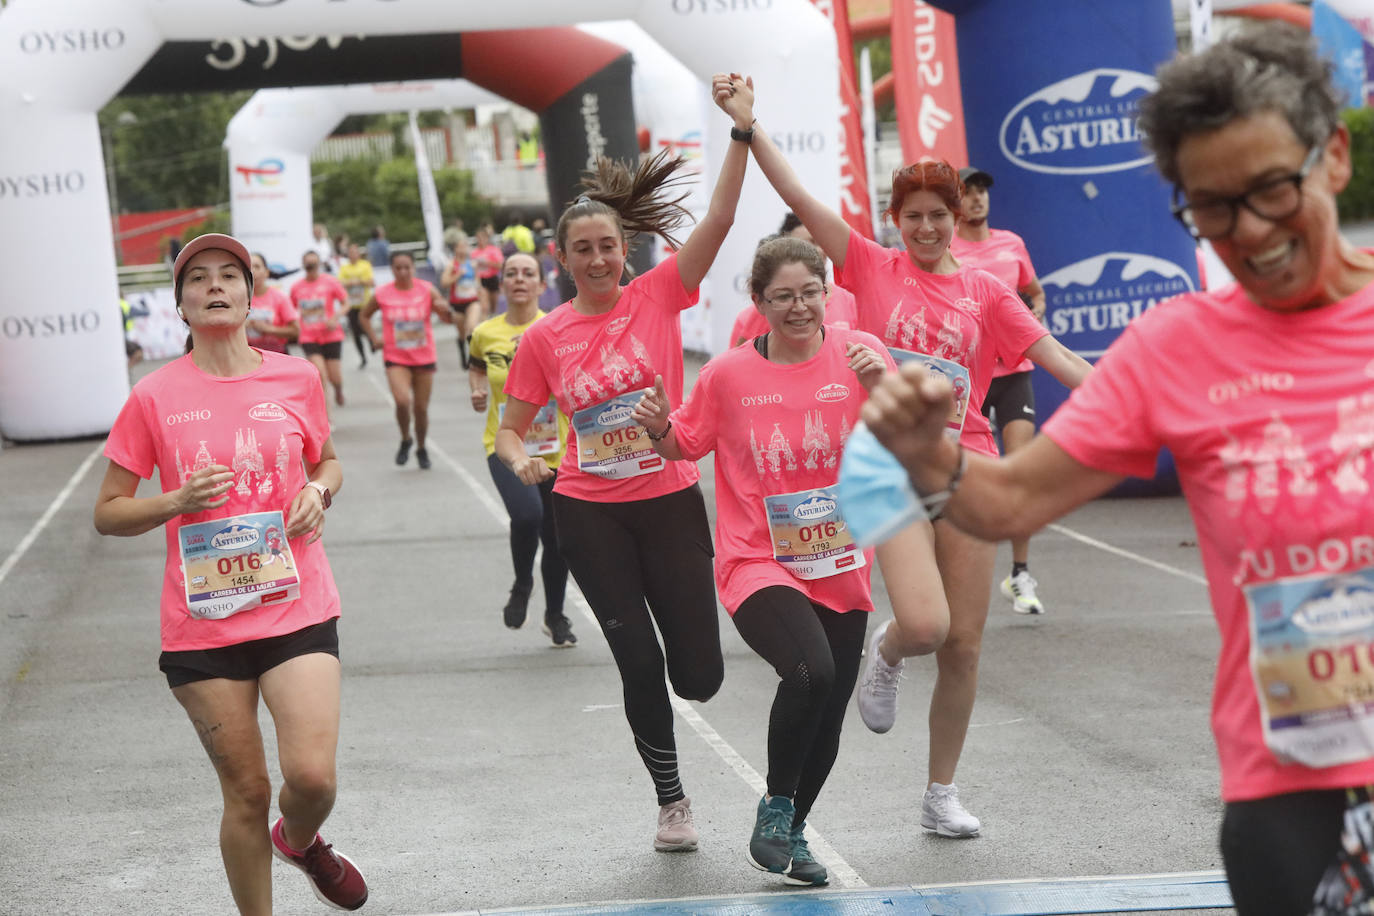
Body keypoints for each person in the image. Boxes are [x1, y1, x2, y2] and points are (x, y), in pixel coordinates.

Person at [861, 23, 1374, 914]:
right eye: (1211, 207)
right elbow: (1007, 500)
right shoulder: (1179, 349)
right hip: (1292, 792)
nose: (1249, 232)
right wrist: (924, 453)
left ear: (1331, 158)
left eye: (1271, 190)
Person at [733, 71, 1092, 836]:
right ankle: (889, 652)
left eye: (939, 216)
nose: (926, 228)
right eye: (913, 217)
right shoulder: (870, 264)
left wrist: (1141, 398)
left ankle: (940, 795)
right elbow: (799, 195)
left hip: (964, 464)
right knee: (925, 628)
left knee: (963, 643)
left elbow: (1056, 357)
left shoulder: (990, 294)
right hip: (887, 465)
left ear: (958, 218)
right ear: (894, 221)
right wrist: (748, 124)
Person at [496, 77, 751, 852]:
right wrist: (525, 462)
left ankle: (682, 708)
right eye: (584, 249)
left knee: (698, 677)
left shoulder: (660, 294)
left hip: (669, 497)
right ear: (562, 258)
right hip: (589, 509)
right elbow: (512, 430)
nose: (600, 258)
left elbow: (721, 217)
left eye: (609, 245)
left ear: (625, 249)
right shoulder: (545, 338)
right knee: (638, 662)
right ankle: (672, 803)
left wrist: (739, 132)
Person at [93, 233, 367, 914]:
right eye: (198, 280)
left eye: (229, 276)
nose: (215, 287)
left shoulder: (296, 377)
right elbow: (108, 512)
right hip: (203, 624)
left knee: (311, 778)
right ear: (181, 305)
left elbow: (327, 461)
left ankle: (300, 841)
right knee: (245, 792)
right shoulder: (153, 396)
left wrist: (319, 492)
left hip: (294, 602)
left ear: (250, 295)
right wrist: (175, 501)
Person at [633, 235, 893, 886]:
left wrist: (883, 388)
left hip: (840, 560)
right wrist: (658, 426)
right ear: (759, 301)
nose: (800, 307)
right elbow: (684, 446)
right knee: (810, 672)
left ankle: (793, 830)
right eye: (784, 296)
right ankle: (776, 809)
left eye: (811, 292)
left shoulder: (862, 357)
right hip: (758, 561)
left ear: (829, 294)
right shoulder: (728, 374)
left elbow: (907, 434)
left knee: (828, 712)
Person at [949, 166, 1049, 615]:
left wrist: (1034, 317)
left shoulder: (1012, 244)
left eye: (982, 192)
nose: (977, 199)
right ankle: (949, 568)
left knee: (1022, 471)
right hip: (966, 376)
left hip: (1014, 372)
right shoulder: (946, 249)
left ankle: (1020, 573)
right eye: (968, 193)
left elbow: (1035, 292)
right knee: (953, 476)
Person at [468, 252, 574, 646]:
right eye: (511, 273)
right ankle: (522, 582)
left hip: (556, 449)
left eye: (528, 273)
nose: (519, 279)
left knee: (558, 537)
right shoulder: (484, 333)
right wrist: (477, 390)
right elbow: (477, 367)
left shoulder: (557, 328)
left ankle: (555, 614)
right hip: (505, 442)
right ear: (502, 285)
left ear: (541, 285)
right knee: (527, 515)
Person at [360, 251, 453, 470]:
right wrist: (374, 338)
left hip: (423, 356)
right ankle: (405, 438)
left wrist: (445, 310)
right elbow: (363, 315)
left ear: (414, 268)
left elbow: (447, 318)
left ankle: (421, 447)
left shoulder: (427, 290)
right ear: (392, 269)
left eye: (407, 267)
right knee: (402, 401)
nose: (403, 272)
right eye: (398, 268)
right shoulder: (382, 293)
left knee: (421, 409)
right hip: (396, 357)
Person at [729, 215, 859, 347]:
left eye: (822, 242)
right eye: (807, 245)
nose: (818, 250)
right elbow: (740, 359)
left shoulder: (849, 299)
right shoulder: (758, 313)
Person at [290, 251, 349, 407]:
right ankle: (326, 417)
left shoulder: (330, 282)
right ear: (303, 265)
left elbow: (346, 303)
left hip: (331, 335)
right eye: (308, 264)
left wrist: (335, 318)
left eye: (314, 264)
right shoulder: (297, 287)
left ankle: (338, 389)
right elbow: (291, 311)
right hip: (309, 336)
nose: (311, 267)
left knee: (335, 377)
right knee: (320, 375)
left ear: (320, 265)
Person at [245, 252, 299, 355]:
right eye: (249, 267)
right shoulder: (238, 298)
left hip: (277, 354)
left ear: (267, 272)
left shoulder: (280, 297)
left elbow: (296, 332)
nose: (253, 271)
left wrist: (269, 329)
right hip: (247, 357)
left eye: (257, 266)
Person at [441, 230, 481, 369]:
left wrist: (478, 287)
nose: (464, 248)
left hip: (472, 301)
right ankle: (463, 354)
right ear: (456, 249)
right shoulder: (452, 265)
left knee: (472, 327)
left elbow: (477, 282)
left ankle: (473, 357)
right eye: (461, 246)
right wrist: (457, 275)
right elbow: (444, 282)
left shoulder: (472, 263)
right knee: (462, 334)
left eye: (466, 246)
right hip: (457, 304)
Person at [336, 243, 375, 369]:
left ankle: (371, 341)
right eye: (350, 253)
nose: (353, 255)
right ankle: (362, 357)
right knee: (355, 332)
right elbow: (340, 283)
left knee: (365, 327)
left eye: (355, 252)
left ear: (358, 253)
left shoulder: (365, 265)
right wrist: (350, 283)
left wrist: (357, 281)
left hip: (365, 304)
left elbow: (371, 282)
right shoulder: (344, 268)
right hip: (352, 305)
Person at [472, 224, 504, 327]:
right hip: (481, 280)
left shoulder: (493, 250)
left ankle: (493, 325)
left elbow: (501, 265)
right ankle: (484, 328)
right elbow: (472, 268)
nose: (480, 240)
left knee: (493, 307)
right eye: (478, 237)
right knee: (485, 307)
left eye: (482, 237)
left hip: (492, 278)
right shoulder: (474, 253)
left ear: (487, 238)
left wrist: (487, 263)